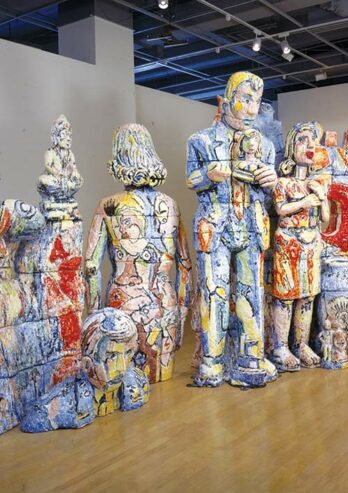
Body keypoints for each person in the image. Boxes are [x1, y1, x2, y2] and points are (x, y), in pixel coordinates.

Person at [186, 71, 278, 388]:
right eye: (245, 100)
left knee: (252, 293)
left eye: (257, 102)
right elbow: (191, 180)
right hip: (215, 225)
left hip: (251, 225)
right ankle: (212, 361)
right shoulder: (201, 140)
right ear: (227, 100)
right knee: (215, 292)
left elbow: (268, 189)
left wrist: (271, 180)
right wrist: (208, 175)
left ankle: (251, 356)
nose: (252, 109)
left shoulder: (265, 146)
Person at [85, 124, 192, 383]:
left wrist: (94, 319)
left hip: (124, 306)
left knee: (126, 381)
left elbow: (91, 267)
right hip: (165, 305)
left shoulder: (109, 206)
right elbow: (185, 266)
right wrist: (182, 314)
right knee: (162, 379)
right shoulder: (171, 205)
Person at [269, 122, 329, 371]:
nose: (309, 145)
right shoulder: (283, 183)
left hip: (312, 241)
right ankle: (280, 347)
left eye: (313, 141)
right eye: (303, 140)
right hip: (289, 241)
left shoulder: (317, 183)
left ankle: (301, 344)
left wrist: (322, 197)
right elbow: (281, 209)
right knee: (286, 296)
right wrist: (305, 201)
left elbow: (325, 220)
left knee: (307, 296)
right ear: (291, 147)